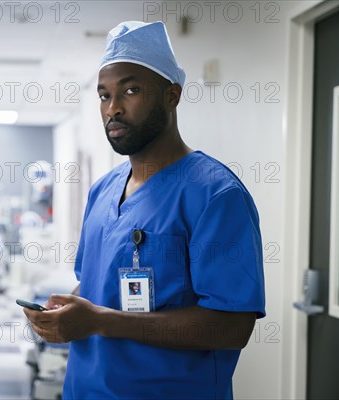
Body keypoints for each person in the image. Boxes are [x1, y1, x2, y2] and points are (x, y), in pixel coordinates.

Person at [23, 21, 266, 399]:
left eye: (130, 90)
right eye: (103, 95)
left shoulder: (216, 195)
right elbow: (93, 283)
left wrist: (100, 321)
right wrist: (64, 311)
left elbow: (232, 327)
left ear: (171, 95)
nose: (113, 108)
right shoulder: (103, 190)